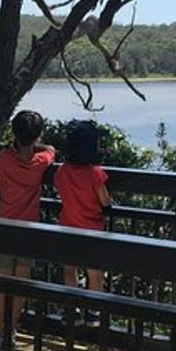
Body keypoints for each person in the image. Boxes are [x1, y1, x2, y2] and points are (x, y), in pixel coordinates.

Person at [0, 110, 55, 349]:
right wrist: (40, 146)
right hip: (28, 228)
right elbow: (51, 151)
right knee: (22, 278)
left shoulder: (4, 159)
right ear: (37, 136)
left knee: (2, 278)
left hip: (5, 224)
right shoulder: (40, 162)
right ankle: (12, 329)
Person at [53, 121, 111, 309]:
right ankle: (94, 311)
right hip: (92, 230)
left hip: (67, 226)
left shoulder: (61, 171)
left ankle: (72, 308)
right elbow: (104, 201)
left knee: (69, 269)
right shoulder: (96, 174)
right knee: (94, 273)